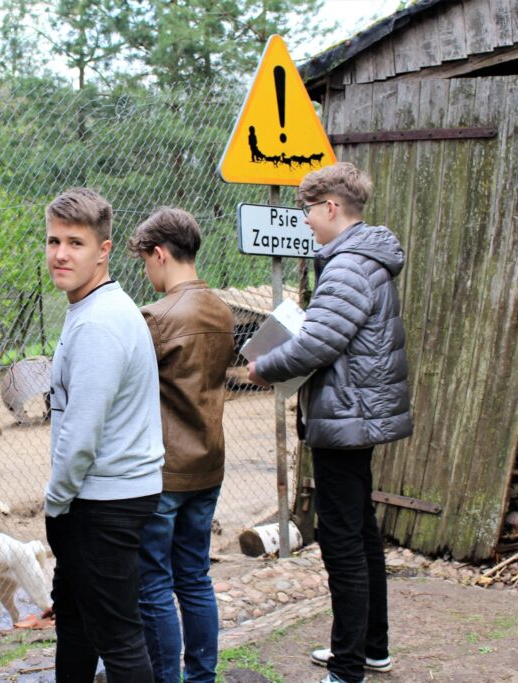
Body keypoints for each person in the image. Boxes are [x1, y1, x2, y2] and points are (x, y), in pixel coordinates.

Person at [247, 162, 412, 683]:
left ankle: (346, 668)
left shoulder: (347, 266)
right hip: (355, 414)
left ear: (332, 208)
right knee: (361, 531)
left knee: (343, 542)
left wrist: (263, 367)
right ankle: (371, 647)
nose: (306, 220)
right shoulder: (364, 259)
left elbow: (317, 344)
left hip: (346, 418)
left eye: (308, 210)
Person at [43, 187, 165, 682]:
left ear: (104, 250)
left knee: (117, 638)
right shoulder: (94, 309)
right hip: (102, 496)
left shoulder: (98, 323)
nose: (61, 254)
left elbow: (82, 433)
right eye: (53, 241)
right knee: (76, 621)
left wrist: (56, 502)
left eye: (76, 243)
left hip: (101, 502)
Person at [127, 207, 235, 683]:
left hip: (165, 471)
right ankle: (202, 677)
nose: (146, 273)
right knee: (194, 576)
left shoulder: (155, 318)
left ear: (159, 254)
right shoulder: (222, 310)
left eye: (144, 262)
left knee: (153, 583)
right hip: (209, 463)